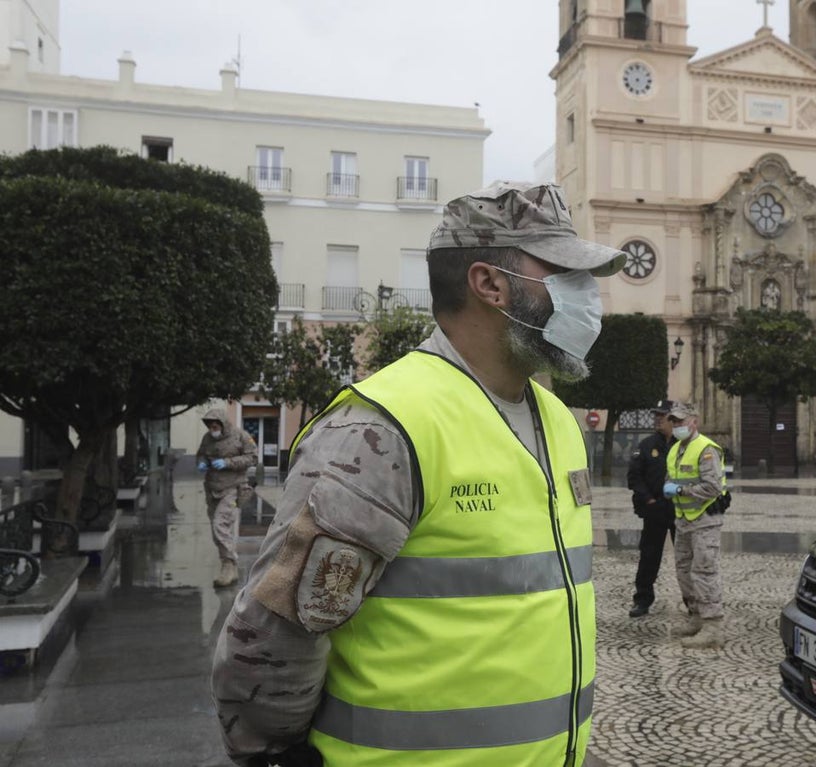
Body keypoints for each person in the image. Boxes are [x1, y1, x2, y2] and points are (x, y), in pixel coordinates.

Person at [210, 181, 625, 767]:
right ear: (489, 284)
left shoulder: (555, 417)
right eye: (566, 273)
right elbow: (272, 635)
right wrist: (274, 755)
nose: (588, 296)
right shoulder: (381, 427)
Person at [662, 401, 727, 649]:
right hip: (684, 520)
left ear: (694, 421)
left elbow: (713, 487)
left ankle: (713, 627)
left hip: (704, 521)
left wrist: (680, 489)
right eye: (674, 421)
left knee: (704, 571)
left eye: (681, 421)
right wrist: (670, 489)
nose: (677, 425)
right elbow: (671, 478)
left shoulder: (707, 449)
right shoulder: (675, 449)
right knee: (683, 571)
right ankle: (696, 617)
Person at [626, 399, 677, 618]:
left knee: (685, 558)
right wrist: (648, 500)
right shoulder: (647, 445)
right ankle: (643, 599)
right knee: (649, 556)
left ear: (672, 420)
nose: (657, 419)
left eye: (662, 416)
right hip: (654, 509)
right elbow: (634, 477)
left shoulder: (683, 446)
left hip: (679, 510)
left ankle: (693, 601)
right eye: (655, 415)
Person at [195, 407, 258, 588]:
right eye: (209, 425)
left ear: (223, 423)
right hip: (212, 488)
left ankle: (228, 565)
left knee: (220, 525)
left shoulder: (240, 436)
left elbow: (252, 457)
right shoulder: (207, 439)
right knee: (217, 532)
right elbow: (200, 454)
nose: (212, 428)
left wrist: (228, 463)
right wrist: (201, 463)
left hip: (233, 488)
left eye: (215, 424)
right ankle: (229, 565)